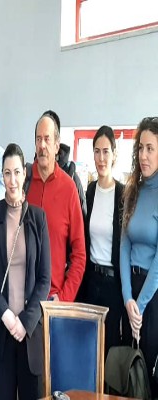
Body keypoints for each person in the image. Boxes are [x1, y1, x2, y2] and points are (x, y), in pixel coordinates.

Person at [0, 143, 51, 400]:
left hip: (29, 333)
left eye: (17, 172)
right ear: (2, 176)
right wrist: (6, 315)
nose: (12, 180)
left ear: (25, 173)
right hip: (2, 331)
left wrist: (25, 321)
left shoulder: (38, 218)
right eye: (7, 173)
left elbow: (44, 278)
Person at [26, 112, 85, 302]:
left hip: (54, 300)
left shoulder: (69, 188)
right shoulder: (23, 183)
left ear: (57, 145)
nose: (42, 145)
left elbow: (79, 254)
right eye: (38, 139)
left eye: (47, 139)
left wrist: (64, 299)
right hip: (22, 298)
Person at [120, 117, 158, 397]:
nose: (143, 155)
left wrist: (140, 307)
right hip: (130, 294)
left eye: (150, 149)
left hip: (152, 298)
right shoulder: (133, 190)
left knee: (147, 379)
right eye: (140, 148)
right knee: (129, 377)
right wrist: (127, 298)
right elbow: (124, 247)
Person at [79, 126, 124, 356]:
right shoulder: (89, 191)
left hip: (114, 284)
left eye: (106, 151)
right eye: (97, 152)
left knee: (110, 350)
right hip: (92, 279)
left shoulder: (124, 194)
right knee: (89, 348)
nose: (101, 158)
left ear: (114, 154)